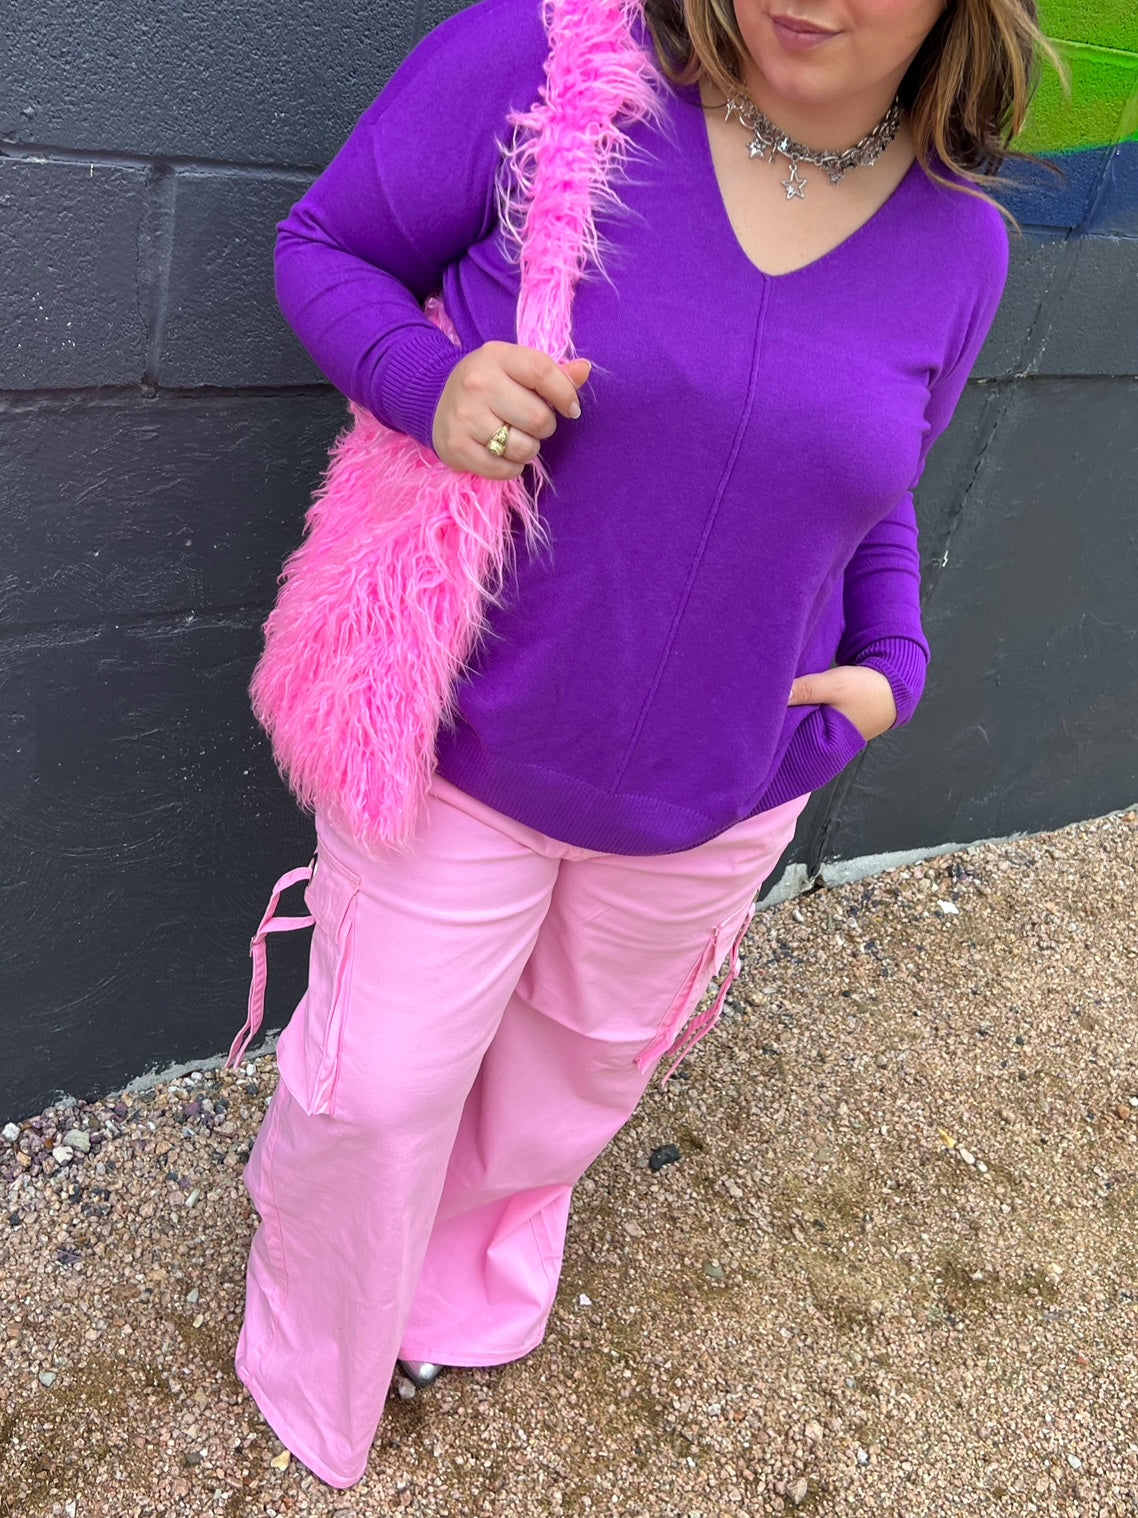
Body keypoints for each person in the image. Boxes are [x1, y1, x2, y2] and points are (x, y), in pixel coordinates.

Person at [229, 0, 1055, 1490]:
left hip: (720, 782)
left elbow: (873, 482)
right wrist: (427, 381)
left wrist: (893, 664)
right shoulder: (544, 68)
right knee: (378, 1085)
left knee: (572, 1080)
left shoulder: (962, 247)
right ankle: (314, 1347)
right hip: (460, 739)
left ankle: (456, 1292)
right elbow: (324, 246)